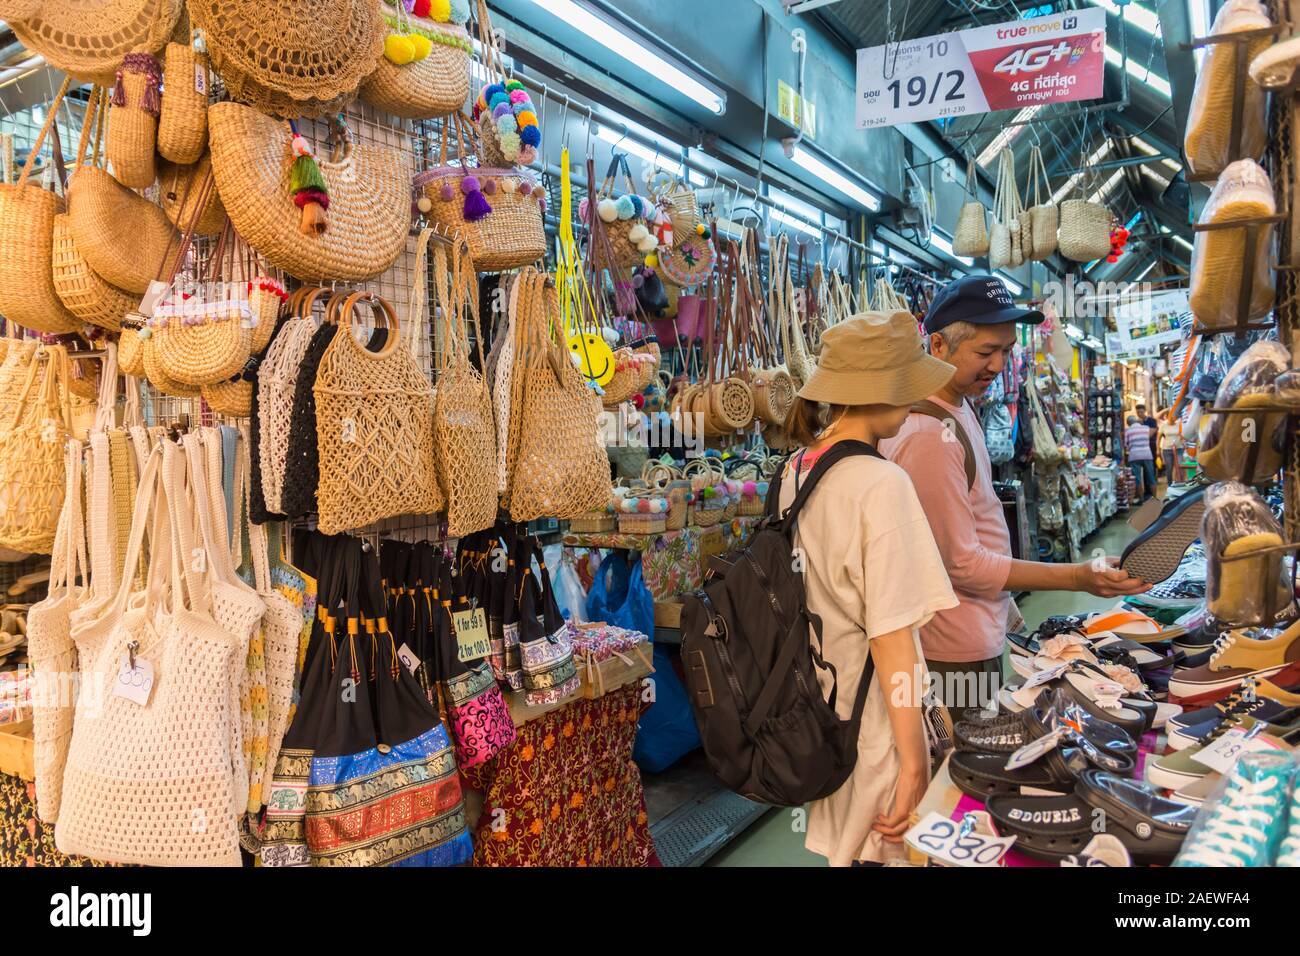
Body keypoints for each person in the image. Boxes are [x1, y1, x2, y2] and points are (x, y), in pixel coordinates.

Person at [880, 275, 1150, 713]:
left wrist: (1004, 614)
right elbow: (961, 564)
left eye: (1005, 351)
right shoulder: (929, 433)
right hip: (950, 651)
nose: (998, 365)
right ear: (937, 345)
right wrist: (1077, 577)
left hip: (970, 635)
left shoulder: (959, 406)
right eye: (985, 352)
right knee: (956, 767)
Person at [778, 312, 959, 867]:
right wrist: (913, 765)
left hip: (822, 712)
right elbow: (892, 641)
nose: (912, 399)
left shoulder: (794, 470)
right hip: (877, 728)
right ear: (879, 390)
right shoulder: (883, 484)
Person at [1125, 413, 1158, 501]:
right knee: (1151, 477)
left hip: (1134, 456)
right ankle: (1154, 498)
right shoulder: (1146, 428)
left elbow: (1126, 444)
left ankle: (1141, 499)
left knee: (1137, 478)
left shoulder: (1128, 430)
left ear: (1128, 423)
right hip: (1147, 454)